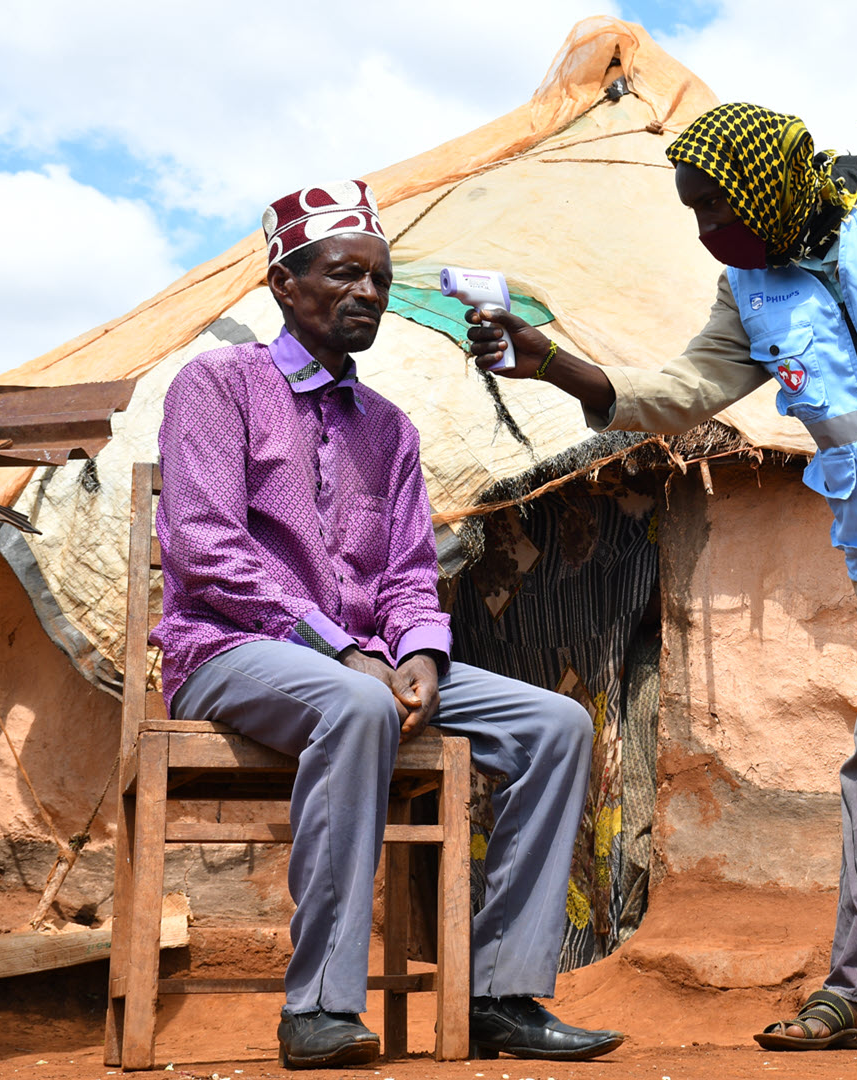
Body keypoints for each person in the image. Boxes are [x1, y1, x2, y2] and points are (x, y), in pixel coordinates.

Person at [468, 103, 857, 1055]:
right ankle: (854, 992)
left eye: (714, 207)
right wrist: (563, 369)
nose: (707, 231)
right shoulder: (750, 290)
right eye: (693, 214)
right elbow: (683, 393)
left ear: (768, 185)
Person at [154, 179, 624, 1069]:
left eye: (378, 278)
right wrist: (341, 651)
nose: (366, 292)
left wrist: (418, 656)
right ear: (284, 285)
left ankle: (500, 995)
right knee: (356, 706)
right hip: (230, 650)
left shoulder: (390, 429)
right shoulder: (218, 385)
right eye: (343, 275)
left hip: (365, 662)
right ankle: (318, 1009)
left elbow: (410, 572)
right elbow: (204, 549)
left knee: (555, 725)